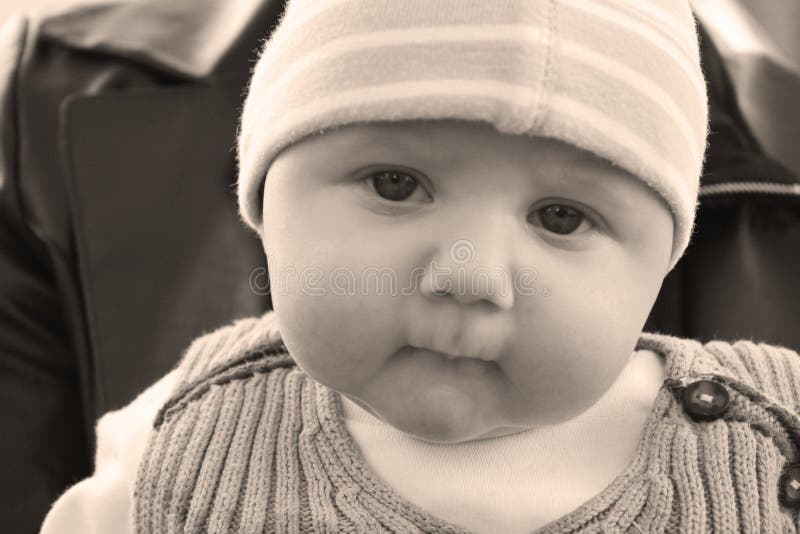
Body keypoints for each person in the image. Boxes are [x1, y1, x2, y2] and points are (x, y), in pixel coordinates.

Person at [37, 0, 800, 532]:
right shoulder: (175, 445)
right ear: (266, 209)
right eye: (396, 185)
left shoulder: (773, 441)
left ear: (657, 269)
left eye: (561, 218)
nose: (470, 274)